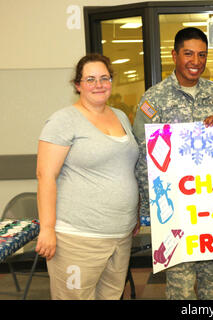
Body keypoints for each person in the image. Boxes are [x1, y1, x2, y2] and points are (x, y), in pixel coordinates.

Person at [133, 27, 213, 299]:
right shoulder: (153, 99)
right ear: (174, 55)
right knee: (180, 286)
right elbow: (143, 156)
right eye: (188, 53)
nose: (196, 61)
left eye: (202, 55)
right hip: (176, 209)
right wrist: (154, 205)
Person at [35, 53, 140, 300]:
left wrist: (132, 213)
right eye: (90, 79)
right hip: (78, 238)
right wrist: (47, 228)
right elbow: (45, 175)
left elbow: (124, 169)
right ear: (78, 84)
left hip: (120, 235)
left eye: (104, 78)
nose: (99, 84)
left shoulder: (121, 116)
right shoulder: (63, 120)